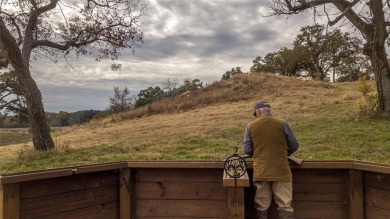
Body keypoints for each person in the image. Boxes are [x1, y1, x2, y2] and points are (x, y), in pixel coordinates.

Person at [242, 100, 299, 219]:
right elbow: (294, 145)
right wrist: (283, 154)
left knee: (261, 205)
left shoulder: (251, 126)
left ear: (258, 112)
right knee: (285, 205)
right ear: (269, 111)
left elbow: (246, 149)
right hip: (282, 170)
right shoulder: (283, 123)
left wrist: (258, 155)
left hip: (261, 170)